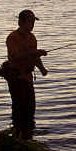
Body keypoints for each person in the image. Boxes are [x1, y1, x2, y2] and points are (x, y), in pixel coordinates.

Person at [5, 9, 47, 139]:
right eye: (29, 21)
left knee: (30, 109)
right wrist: (34, 53)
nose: (32, 24)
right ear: (20, 22)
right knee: (19, 110)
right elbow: (15, 56)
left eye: (33, 21)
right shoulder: (12, 37)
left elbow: (35, 57)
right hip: (17, 79)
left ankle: (28, 137)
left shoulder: (32, 38)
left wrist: (42, 69)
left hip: (28, 79)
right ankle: (17, 137)